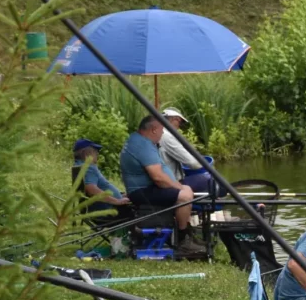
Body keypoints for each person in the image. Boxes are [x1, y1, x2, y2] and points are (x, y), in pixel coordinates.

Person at [119, 115, 201, 258]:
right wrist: (178, 188)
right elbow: (158, 178)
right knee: (185, 196)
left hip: (141, 189)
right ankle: (183, 240)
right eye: (162, 130)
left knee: (186, 190)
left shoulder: (136, 139)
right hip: (142, 192)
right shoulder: (142, 145)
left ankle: (187, 235)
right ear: (154, 130)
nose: (163, 133)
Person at [71, 138, 132, 224]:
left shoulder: (79, 166)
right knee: (144, 209)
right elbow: (91, 189)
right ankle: (128, 236)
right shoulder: (88, 167)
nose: (97, 154)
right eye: (95, 151)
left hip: (99, 210)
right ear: (86, 154)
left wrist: (120, 195)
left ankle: (123, 236)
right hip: (108, 212)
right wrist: (117, 201)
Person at [158, 107, 215, 196]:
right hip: (171, 183)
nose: (179, 126)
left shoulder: (158, 132)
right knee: (208, 179)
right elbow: (194, 164)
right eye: (180, 122)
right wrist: (205, 165)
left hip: (164, 179)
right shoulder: (166, 136)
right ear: (175, 119)